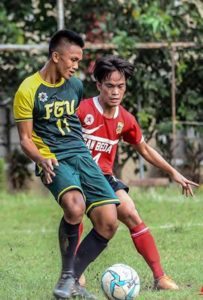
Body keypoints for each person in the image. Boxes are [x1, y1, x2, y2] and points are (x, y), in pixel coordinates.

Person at [13, 31, 120, 300]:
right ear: (56, 56)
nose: (76, 66)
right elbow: (25, 139)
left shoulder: (75, 86)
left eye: (79, 60)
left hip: (81, 155)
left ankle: (72, 280)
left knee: (109, 222)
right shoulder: (28, 90)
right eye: (73, 59)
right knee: (74, 207)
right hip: (51, 157)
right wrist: (40, 158)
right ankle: (67, 277)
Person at [77, 55, 199, 290]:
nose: (115, 92)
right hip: (78, 176)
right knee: (77, 210)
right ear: (99, 85)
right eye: (110, 86)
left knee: (131, 212)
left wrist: (173, 172)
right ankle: (72, 273)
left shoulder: (125, 119)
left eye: (120, 86)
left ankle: (160, 277)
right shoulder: (82, 110)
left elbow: (144, 148)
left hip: (104, 178)